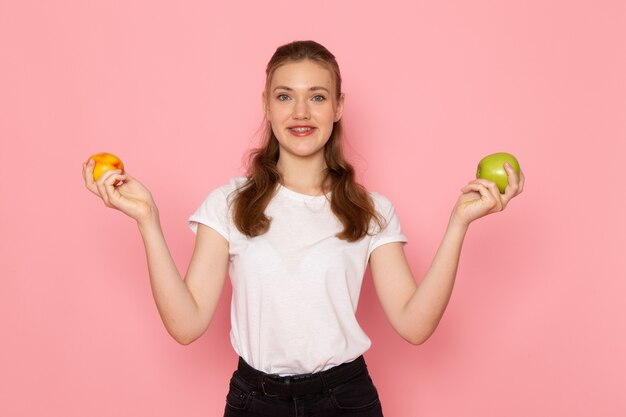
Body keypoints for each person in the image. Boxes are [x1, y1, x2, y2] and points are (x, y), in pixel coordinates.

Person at [83, 40, 524, 416]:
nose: (300, 111)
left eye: (316, 96)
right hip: (253, 400)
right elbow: (186, 324)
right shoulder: (228, 204)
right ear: (266, 105)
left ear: (338, 106)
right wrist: (148, 221)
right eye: (284, 96)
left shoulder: (371, 210)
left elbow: (414, 325)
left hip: (345, 399)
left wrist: (458, 224)